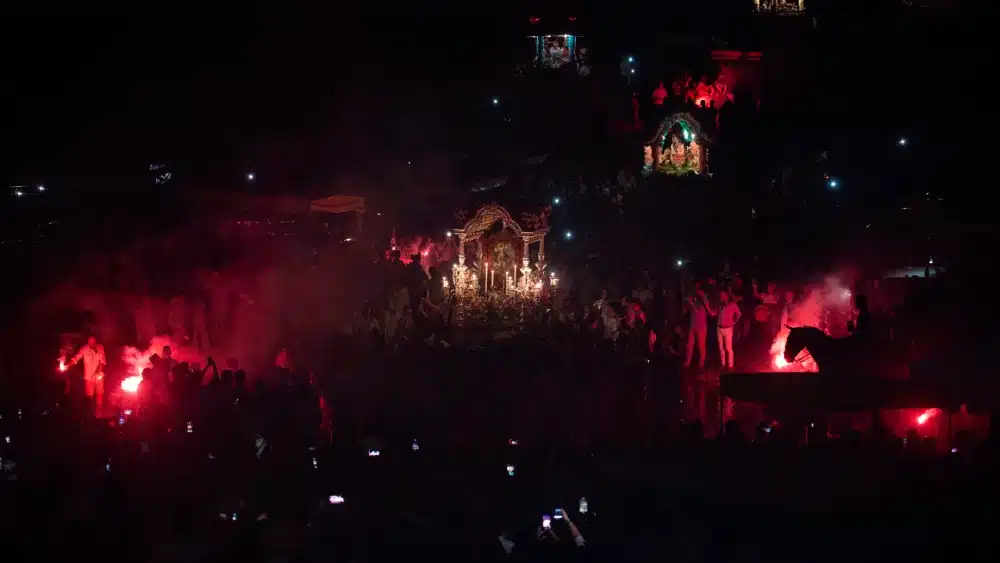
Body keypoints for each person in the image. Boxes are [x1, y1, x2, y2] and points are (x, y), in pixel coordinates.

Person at [68, 335, 106, 416]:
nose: (92, 344)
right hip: (88, 377)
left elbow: (102, 360)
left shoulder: (100, 347)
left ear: (96, 342)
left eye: (93, 342)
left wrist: (99, 371)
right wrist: (68, 365)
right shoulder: (84, 349)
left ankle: (99, 411)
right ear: (88, 342)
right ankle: (89, 412)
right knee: (89, 395)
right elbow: (76, 358)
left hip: (99, 376)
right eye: (90, 342)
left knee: (100, 393)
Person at [709, 291, 741, 371]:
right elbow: (713, 313)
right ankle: (723, 364)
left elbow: (739, 314)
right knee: (721, 347)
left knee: (728, 348)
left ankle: (730, 365)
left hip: (728, 328)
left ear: (726, 296)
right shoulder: (719, 305)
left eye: (723, 295)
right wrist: (707, 304)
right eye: (720, 295)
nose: (721, 296)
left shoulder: (732, 304)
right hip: (719, 328)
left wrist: (734, 322)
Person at [683, 284, 711, 370]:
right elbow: (685, 311)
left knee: (701, 346)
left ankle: (701, 363)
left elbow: (698, 310)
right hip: (692, 326)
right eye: (697, 289)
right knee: (689, 345)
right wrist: (687, 303)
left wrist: (692, 303)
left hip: (701, 327)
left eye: (699, 289)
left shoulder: (705, 299)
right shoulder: (693, 298)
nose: (698, 291)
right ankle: (687, 362)